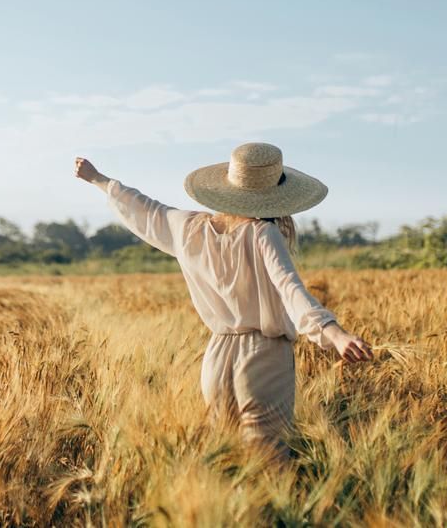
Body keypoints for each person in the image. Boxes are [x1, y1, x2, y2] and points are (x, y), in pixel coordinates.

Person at [74, 142, 373, 459]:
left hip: (216, 359)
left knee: (229, 463)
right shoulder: (262, 233)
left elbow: (145, 210)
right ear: (277, 194)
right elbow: (290, 289)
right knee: (270, 467)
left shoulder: (189, 227)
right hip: (263, 358)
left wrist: (98, 179)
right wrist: (334, 334)